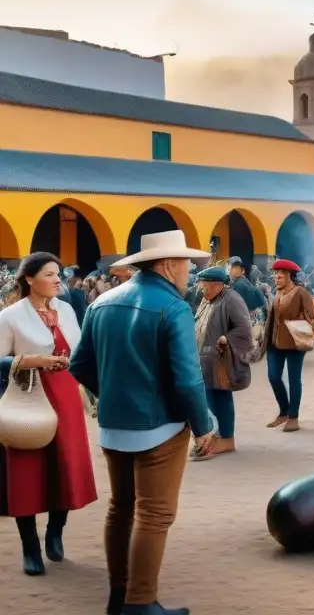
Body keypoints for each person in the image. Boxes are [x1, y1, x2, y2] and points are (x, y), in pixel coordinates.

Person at [69, 230, 214, 615]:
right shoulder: (174, 307)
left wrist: (114, 392)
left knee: (121, 508)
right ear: (167, 265)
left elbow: (79, 365)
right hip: (161, 427)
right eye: (186, 263)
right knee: (155, 514)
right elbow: (187, 378)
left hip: (114, 424)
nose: (190, 271)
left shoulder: (102, 302)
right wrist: (204, 426)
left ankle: (120, 595)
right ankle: (140, 601)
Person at [0, 252, 98, 577]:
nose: (58, 279)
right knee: (26, 473)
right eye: (50, 274)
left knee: (65, 467)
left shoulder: (67, 309)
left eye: (58, 273)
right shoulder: (11, 316)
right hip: (27, 398)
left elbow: (81, 350)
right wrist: (30, 361)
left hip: (66, 396)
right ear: (29, 279)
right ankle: (30, 548)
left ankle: (55, 531)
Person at [193, 266, 256, 460]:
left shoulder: (232, 299)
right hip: (205, 359)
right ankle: (218, 435)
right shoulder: (208, 298)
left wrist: (226, 339)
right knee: (210, 397)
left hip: (220, 360)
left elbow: (244, 329)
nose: (201, 288)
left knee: (221, 397)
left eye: (204, 284)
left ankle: (227, 437)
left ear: (217, 285)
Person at [259, 259, 314, 432]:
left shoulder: (301, 292)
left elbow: (313, 317)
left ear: (289, 275)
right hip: (275, 341)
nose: (276, 276)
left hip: (294, 343)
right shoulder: (277, 293)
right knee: (273, 376)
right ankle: (284, 410)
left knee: (294, 380)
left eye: (280, 274)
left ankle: (293, 417)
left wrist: (302, 328)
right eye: (275, 273)